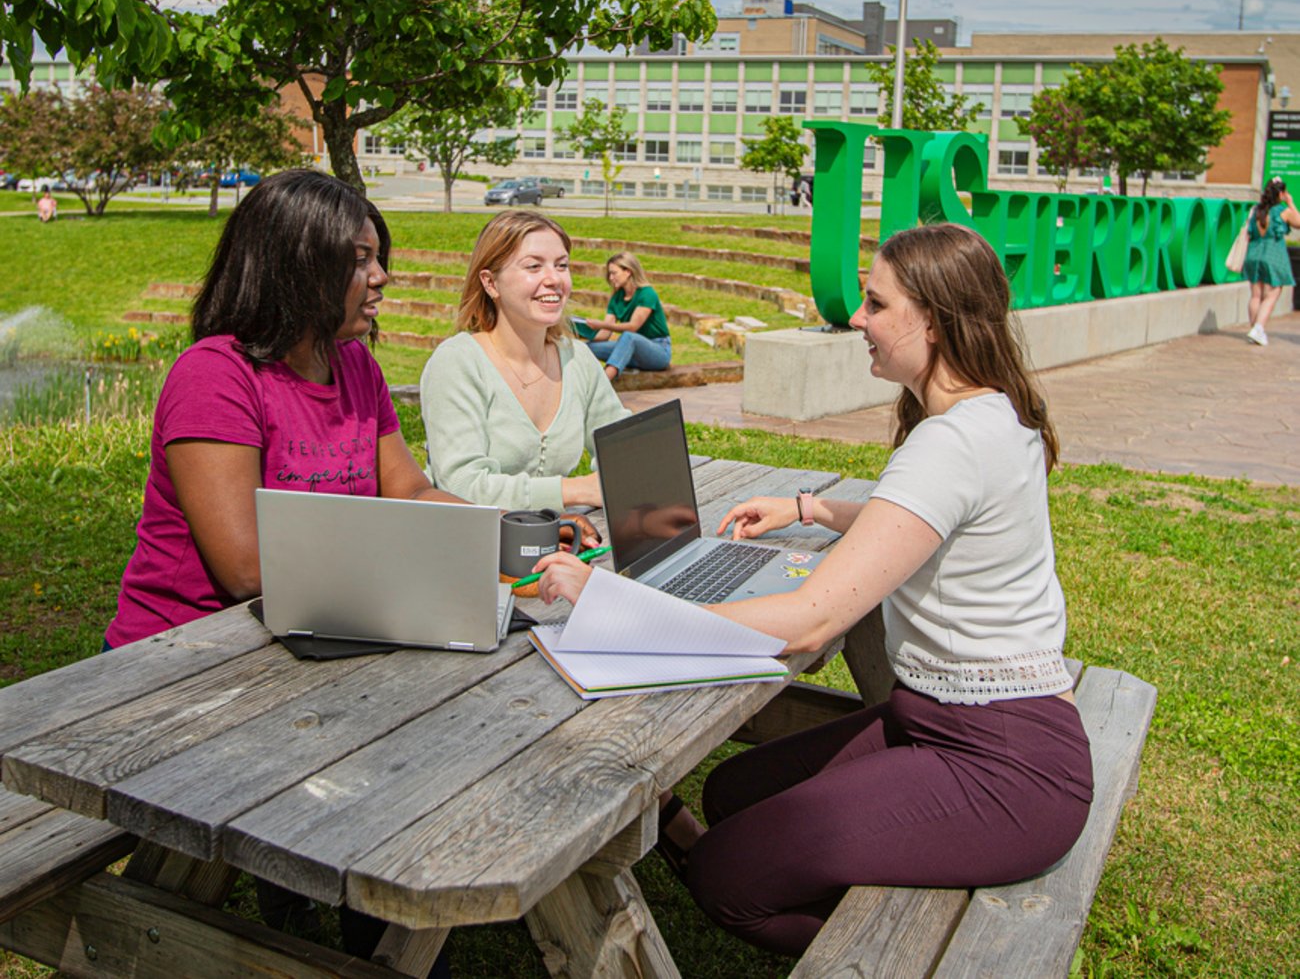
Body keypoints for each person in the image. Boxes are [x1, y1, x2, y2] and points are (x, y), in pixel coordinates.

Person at [535, 223, 1093, 958]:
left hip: (1002, 766)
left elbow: (806, 624)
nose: (857, 318)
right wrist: (809, 508)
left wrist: (611, 604)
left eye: (875, 303)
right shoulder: (987, 412)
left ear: (932, 318)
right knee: (732, 793)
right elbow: (921, 520)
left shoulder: (950, 443)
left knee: (725, 876)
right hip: (955, 724)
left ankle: (897, 955)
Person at [102, 169, 458, 973]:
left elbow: (409, 488)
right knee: (401, 770)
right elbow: (245, 567)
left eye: (379, 258)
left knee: (431, 751)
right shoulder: (215, 375)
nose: (381, 277)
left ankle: (376, 930)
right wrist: (412, 567)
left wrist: (500, 534)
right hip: (185, 669)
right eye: (361, 259)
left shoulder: (354, 368)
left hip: (309, 640)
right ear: (299, 263)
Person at [420, 211, 625, 512]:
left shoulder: (577, 359)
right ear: (491, 283)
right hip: (466, 546)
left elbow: (621, 446)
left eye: (562, 265)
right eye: (533, 266)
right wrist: (578, 490)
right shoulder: (456, 363)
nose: (554, 279)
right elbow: (462, 485)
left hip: (551, 542)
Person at [581, 251, 672, 382]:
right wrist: (580, 332)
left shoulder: (647, 294)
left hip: (658, 351)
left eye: (614, 273)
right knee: (585, 347)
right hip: (631, 351)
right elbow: (605, 334)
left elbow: (633, 327)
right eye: (609, 274)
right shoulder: (617, 297)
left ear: (628, 271)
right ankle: (583, 380)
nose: (611, 278)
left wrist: (600, 324)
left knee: (628, 337)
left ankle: (603, 382)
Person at [1243, 177, 1299, 346]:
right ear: (1281, 194)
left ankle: (1255, 330)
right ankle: (1258, 328)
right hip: (1272, 254)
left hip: (1253, 253)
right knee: (1273, 293)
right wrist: (1291, 203)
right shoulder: (1283, 211)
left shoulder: (1256, 211)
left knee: (1256, 294)